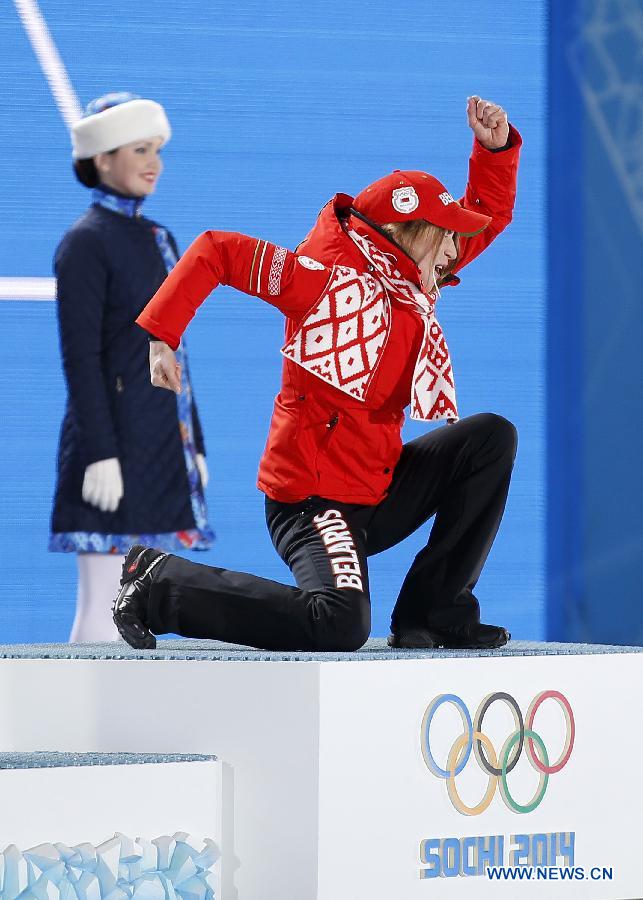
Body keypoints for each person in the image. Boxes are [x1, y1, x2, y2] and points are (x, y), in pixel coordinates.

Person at [113, 95, 521, 652]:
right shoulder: (321, 280)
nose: (456, 248)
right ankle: (159, 584)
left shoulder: (412, 277)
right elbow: (218, 251)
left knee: (491, 438)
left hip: (376, 486)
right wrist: (163, 335)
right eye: (445, 234)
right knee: (339, 623)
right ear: (411, 234)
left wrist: (493, 151)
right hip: (312, 502)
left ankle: (435, 612)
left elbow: (485, 220)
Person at [50, 92, 214, 642]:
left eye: (158, 150)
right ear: (102, 159)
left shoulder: (158, 238)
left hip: (155, 444)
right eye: (139, 149)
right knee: (101, 599)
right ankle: (76, 724)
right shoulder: (85, 243)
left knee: (136, 605)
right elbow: (81, 357)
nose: (154, 163)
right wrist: (99, 453)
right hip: (112, 446)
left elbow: (174, 354)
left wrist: (194, 449)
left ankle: (127, 722)